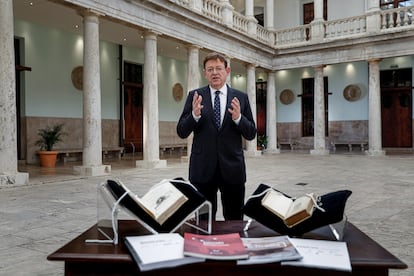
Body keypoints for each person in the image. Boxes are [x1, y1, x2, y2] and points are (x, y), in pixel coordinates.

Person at [177, 52, 257, 220]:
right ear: (204, 73)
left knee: (234, 219)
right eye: (210, 69)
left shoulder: (240, 97)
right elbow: (181, 131)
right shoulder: (195, 96)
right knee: (204, 221)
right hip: (203, 169)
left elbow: (251, 133)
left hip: (232, 169)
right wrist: (194, 115)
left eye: (219, 68)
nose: (215, 72)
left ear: (227, 71)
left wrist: (238, 118)